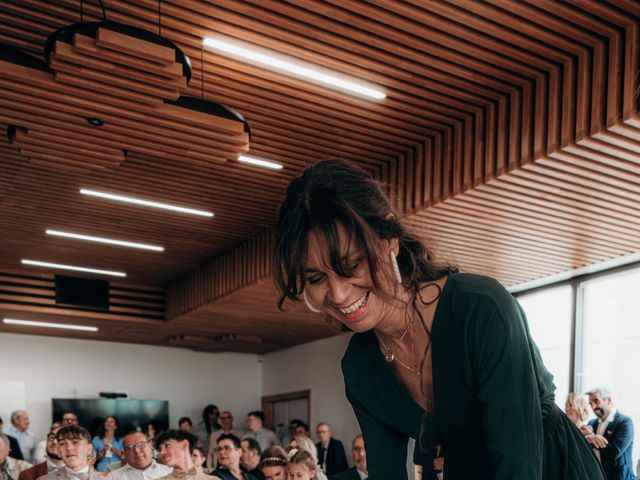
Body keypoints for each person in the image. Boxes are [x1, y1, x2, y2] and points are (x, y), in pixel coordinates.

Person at [272, 159, 607, 480]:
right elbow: (386, 474)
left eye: (350, 265)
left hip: (549, 466)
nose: (339, 294)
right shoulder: (360, 365)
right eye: (316, 279)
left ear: (389, 239)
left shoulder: (481, 310)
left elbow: (518, 464)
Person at [585, 388, 635, 480]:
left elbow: (615, 452)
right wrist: (587, 438)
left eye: (596, 401)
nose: (593, 407)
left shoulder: (625, 422)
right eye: (590, 403)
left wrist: (593, 439)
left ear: (608, 400)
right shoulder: (591, 423)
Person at [106, 430, 171, 480]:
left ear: (150, 446)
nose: (136, 451)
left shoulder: (169, 472)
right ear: (125, 453)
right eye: (130, 448)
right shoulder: (113, 477)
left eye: (141, 445)